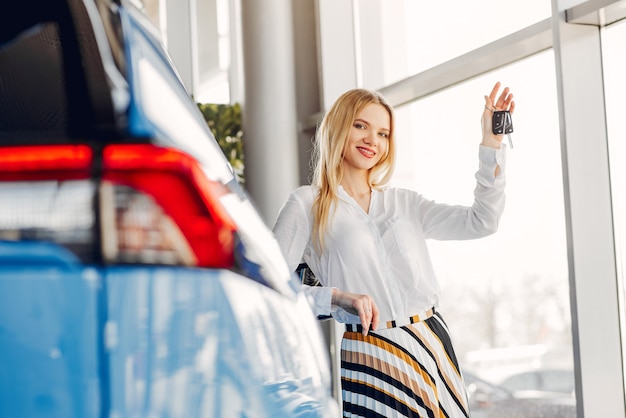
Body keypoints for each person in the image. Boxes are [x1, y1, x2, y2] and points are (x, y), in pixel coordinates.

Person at [272, 82, 514, 417]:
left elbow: (482, 221)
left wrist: (491, 142)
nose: (373, 140)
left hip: (431, 344)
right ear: (338, 128)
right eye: (361, 126)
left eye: (383, 133)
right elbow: (270, 290)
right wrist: (336, 298)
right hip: (370, 354)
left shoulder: (404, 203)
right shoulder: (305, 204)